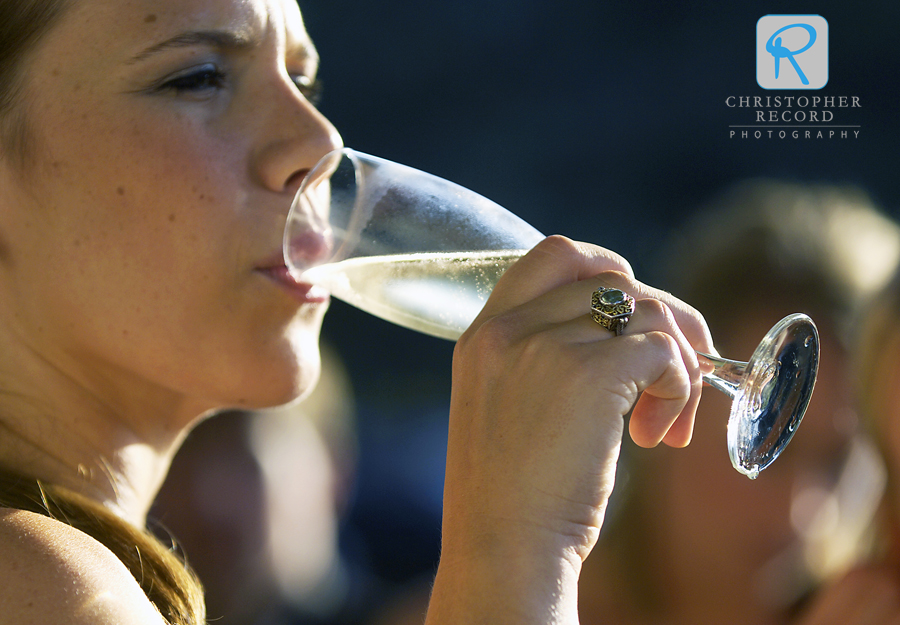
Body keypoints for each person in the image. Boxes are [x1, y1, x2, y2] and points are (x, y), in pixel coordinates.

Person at [0, 1, 716, 624]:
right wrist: (516, 550)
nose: (319, 141)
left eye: (303, 80)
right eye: (198, 77)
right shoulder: (37, 583)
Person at [578, 180, 900, 625]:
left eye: (836, 461)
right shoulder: (523, 594)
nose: (798, 514)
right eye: (762, 431)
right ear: (660, 390)